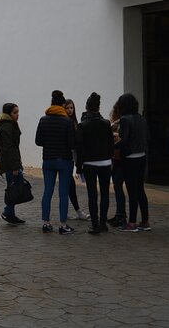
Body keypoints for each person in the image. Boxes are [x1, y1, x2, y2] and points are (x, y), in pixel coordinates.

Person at [35, 90, 76, 235]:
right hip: (64, 160)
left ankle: (46, 223)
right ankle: (63, 225)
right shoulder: (67, 121)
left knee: (48, 191)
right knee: (63, 193)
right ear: (63, 105)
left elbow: (38, 141)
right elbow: (72, 144)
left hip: (48, 160)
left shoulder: (43, 119)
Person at [75, 93, 114, 235]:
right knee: (105, 194)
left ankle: (94, 224)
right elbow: (111, 144)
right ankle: (103, 222)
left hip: (89, 163)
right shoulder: (106, 123)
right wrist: (110, 159)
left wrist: (78, 166)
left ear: (86, 107)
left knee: (92, 195)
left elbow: (80, 148)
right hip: (105, 162)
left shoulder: (83, 125)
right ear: (98, 107)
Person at [116, 93, 151, 233]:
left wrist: (113, 146)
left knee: (132, 191)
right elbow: (148, 137)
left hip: (130, 158)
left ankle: (131, 222)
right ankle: (145, 220)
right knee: (140, 189)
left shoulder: (124, 119)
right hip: (142, 156)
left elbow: (124, 140)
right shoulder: (141, 118)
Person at [0, 103, 25, 226]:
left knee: (14, 187)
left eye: (18, 112)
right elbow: (8, 149)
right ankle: (8, 212)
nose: (17, 115)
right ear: (8, 114)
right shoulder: (7, 127)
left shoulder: (10, 125)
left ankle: (10, 212)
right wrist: (15, 167)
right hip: (10, 163)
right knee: (14, 187)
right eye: (15, 112)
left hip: (11, 161)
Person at [64, 99, 89, 221]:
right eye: (67, 108)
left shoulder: (74, 122)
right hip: (66, 157)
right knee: (69, 184)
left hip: (73, 157)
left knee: (69, 185)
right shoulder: (66, 122)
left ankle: (71, 211)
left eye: (71, 108)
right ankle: (76, 211)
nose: (69, 110)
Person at [107, 104, 127, 228]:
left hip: (121, 159)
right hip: (116, 159)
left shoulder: (122, 123)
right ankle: (120, 213)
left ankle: (122, 215)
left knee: (119, 186)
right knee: (117, 187)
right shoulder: (114, 123)